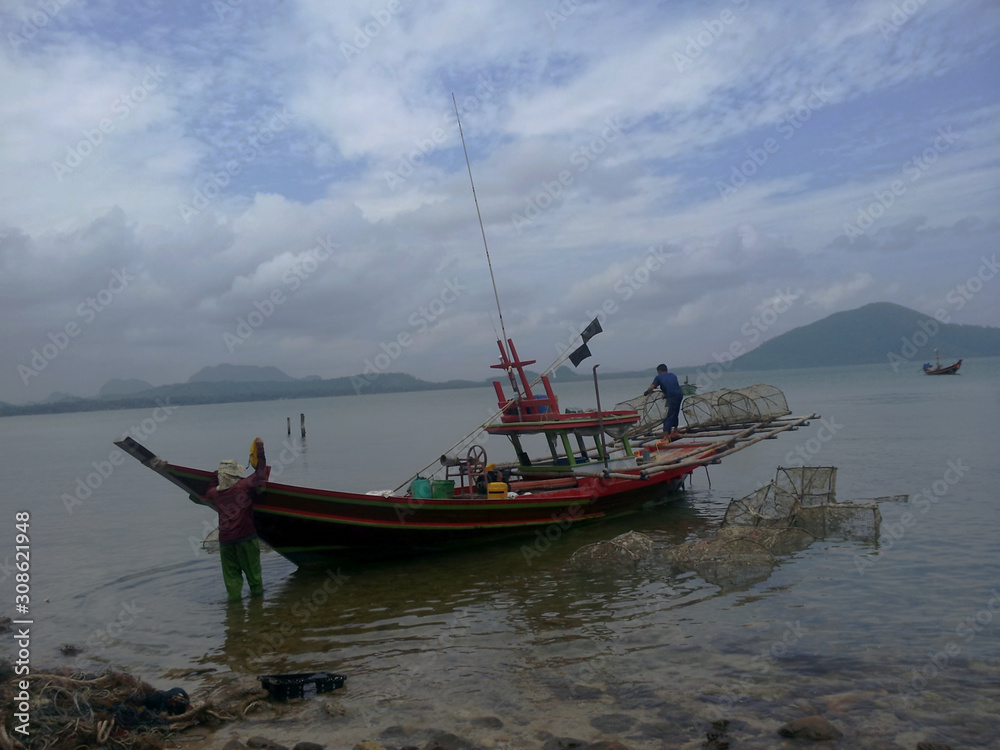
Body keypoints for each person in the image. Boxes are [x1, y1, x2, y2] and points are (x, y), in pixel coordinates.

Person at [205, 437, 267, 602]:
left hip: (225, 543)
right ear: (235, 474)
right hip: (246, 539)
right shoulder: (244, 486)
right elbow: (261, 473)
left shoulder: (214, 494)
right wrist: (260, 450)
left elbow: (210, 487)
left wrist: (216, 474)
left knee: (232, 582)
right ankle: (258, 611)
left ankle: (234, 616)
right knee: (254, 578)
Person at [644, 364, 683, 440]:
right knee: (675, 412)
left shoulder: (658, 377)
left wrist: (646, 392)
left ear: (659, 371)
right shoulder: (673, 375)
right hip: (679, 395)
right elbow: (671, 386)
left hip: (671, 396)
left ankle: (665, 436)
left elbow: (651, 387)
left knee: (667, 415)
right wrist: (666, 394)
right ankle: (675, 431)